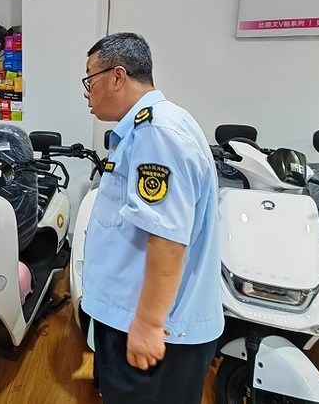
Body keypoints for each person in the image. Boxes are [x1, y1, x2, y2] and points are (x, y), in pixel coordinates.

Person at [80, 32, 222, 404]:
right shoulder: (147, 127)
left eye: (90, 79)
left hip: (153, 328)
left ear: (117, 76)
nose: (86, 91)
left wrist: (148, 324)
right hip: (131, 316)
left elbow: (167, 238)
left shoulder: (157, 133)